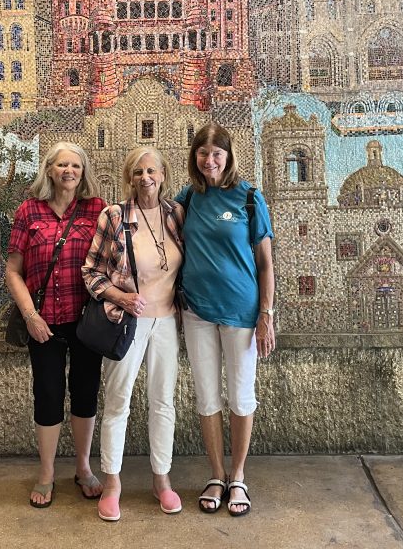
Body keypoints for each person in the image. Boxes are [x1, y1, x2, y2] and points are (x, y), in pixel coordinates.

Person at [176, 123, 276, 517]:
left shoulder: (250, 198)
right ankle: (215, 474)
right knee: (206, 397)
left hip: (241, 313)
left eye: (217, 153)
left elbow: (266, 264)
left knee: (240, 395)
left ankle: (238, 476)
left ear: (229, 156)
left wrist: (266, 314)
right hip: (197, 311)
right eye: (203, 153)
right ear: (195, 157)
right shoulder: (189, 198)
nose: (210, 160)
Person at [81, 146, 185, 522]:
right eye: (139, 172)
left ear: (163, 175)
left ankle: (162, 479)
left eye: (152, 171)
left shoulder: (176, 215)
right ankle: (112, 484)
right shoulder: (114, 216)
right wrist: (121, 297)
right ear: (130, 177)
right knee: (118, 401)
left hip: (167, 323)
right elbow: (91, 272)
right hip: (126, 323)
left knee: (163, 402)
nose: (146, 178)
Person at [6, 142, 106, 508]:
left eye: (76, 165)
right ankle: (46, 472)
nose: (69, 171)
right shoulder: (28, 211)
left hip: (85, 322)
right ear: (49, 169)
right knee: (47, 394)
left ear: (83, 171)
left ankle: (83, 467)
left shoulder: (97, 209)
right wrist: (30, 315)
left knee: (85, 393)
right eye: (62, 164)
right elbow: (13, 271)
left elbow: (113, 260)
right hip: (43, 323)